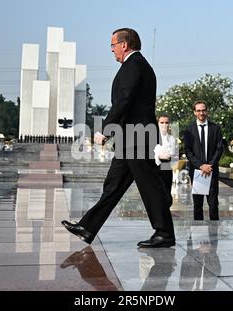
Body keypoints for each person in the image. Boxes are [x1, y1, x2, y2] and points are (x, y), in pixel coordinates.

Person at [61, 28, 175, 248]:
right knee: (113, 185)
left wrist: (105, 129)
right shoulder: (134, 65)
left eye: (113, 45)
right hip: (130, 139)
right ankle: (88, 227)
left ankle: (165, 233)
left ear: (124, 44)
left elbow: (123, 101)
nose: (112, 50)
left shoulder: (135, 65)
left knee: (150, 186)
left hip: (138, 138)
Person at [184, 101, 224, 221]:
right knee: (198, 205)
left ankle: (214, 234)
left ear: (207, 111)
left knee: (213, 204)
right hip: (197, 172)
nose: (201, 113)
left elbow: (219, 148)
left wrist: (210, 165)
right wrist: (201, 166)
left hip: (211, 171)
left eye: (203, 110)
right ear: (195, 112)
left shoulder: (215, 128)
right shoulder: (189, 130)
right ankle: (198, 234)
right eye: (198, 110)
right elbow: (188, 150)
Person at [154, 114, 178, 199]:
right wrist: (158, 155)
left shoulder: (172, 138)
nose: (164, 125)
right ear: (157, 123)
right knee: (157, 194)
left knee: (167, 192)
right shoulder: (153, 137)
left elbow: (173, 154)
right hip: (155, 168)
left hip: (167, 167)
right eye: (162, 122)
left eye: (166, 122)